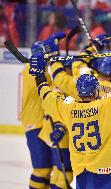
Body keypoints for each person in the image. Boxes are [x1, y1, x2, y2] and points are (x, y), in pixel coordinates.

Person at [29, 42, 111, 188]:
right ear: (96, 91)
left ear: (78, 91)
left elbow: (46, 96)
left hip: (83, 175)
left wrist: (39, 75)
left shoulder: (69, 109)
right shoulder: (108, 106)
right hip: (110, 173)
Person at [21, 41, 52, 189]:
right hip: (35, 125)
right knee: (42, 169)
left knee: (49, 169)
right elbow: (51, 91)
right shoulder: (31, 70)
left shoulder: (37, 69)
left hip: (43, 125)